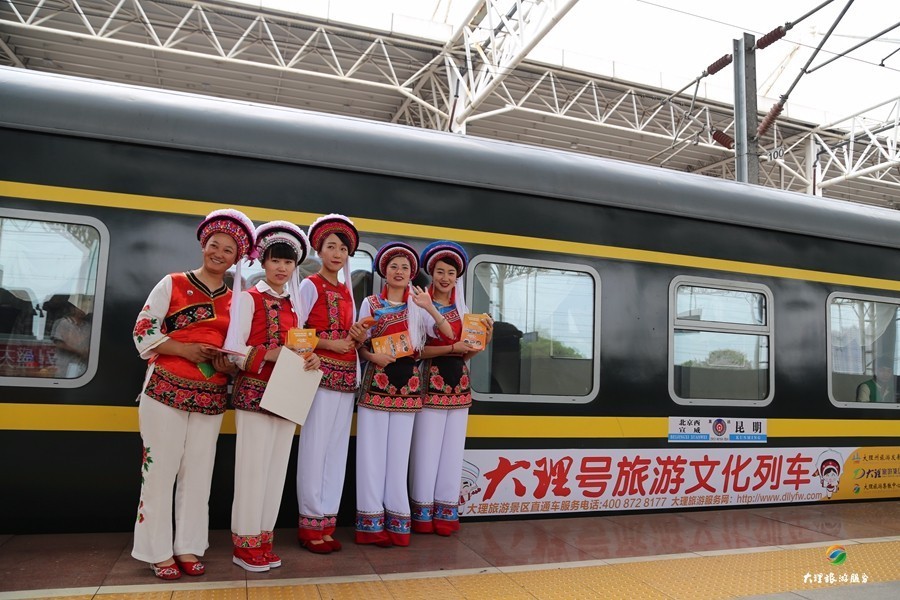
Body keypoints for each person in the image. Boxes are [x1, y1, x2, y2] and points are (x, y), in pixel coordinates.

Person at [131, 208, 255, 580]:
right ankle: (156, 552)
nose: (219, 253)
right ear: (204, 245)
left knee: (199, 474)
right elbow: (143, 332)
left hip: (211, 397)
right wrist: (184, 349)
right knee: (158, 472)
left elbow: (239, 353)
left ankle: (187, 547)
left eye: (228, 250)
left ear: (237, 258)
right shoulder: (171, 283)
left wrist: (227, 365)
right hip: (163, 391)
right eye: (214, 245)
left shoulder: (239, 301)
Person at [227, 221, 321, 572]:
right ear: (263, 263)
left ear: (295, 266)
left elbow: (299, 348)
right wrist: (271, 353)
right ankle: (244, 544)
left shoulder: (295, 306)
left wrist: (310, 358)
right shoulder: (248, 299)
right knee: (252, 471)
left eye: (288, 262)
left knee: (276, 471)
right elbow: (233, 350)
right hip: (254, 394)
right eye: (275, 260)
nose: (282, 268)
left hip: (286, 394)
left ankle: (263, 539)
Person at [353, 241, 447, 547]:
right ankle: (370, 524)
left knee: (398, 457)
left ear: (411, 274)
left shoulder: (418, 306)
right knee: (371, 455)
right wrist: (372, 356)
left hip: (408, 387)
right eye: (393, 266)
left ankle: (397, 521)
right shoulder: (370, 303)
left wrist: (429, 306)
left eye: (405, 267)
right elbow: (359, 344)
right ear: (384, 271)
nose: (399, 271)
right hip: (377, 382)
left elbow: (446, 333)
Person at [409, 241, 492, 536]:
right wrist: (452, 348)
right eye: (440, 272)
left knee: (453, 452)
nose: (445, 278)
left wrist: (482, 343)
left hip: (459, 384)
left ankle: (446, 510)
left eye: (451, 273)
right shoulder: (419, 304)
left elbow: (464, 353)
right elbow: (416, 351)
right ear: (431, 273)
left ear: (457, 278)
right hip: (429, 382)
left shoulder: (463, 309)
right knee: (426, 450)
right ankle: (422, 513)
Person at [295, 214, 363, 554]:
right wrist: (328, 344)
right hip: (319, 376)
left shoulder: (347, 290)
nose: (337, 254)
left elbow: (348, 336)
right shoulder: (310, 285)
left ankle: (326, 523)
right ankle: (309, 524)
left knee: (336, 451)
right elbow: (296, 331)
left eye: (343, 249)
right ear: (319, 251)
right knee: (315, 448)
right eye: (331, 247)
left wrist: (357, 335)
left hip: (346, 377)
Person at [50, 301, 91, 377]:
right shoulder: (64, 323)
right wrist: (79, 351)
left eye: (85, 308)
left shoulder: (88, 327)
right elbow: (59, 344)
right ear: (73, 309)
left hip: (82, 366)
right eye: (81, 308)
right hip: (64, 364)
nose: (83, 310)